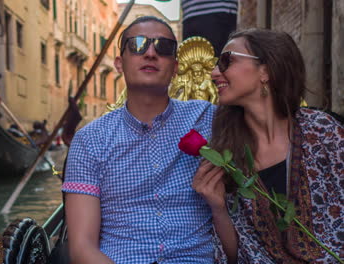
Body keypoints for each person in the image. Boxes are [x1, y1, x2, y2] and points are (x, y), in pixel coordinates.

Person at [62, 16, 217, 264]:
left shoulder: (207, 118)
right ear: (119, 63)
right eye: (138, 45)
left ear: (175, 67)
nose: (151, 53)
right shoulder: (89, 140)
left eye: (163, 47)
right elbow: (82, 248)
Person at [193, 28, 344, 263]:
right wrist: (218, 207)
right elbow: (236, 256)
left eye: (226, 61)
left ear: (265, 70)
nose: (214, 73)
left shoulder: (323, 132)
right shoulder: (227, 153)